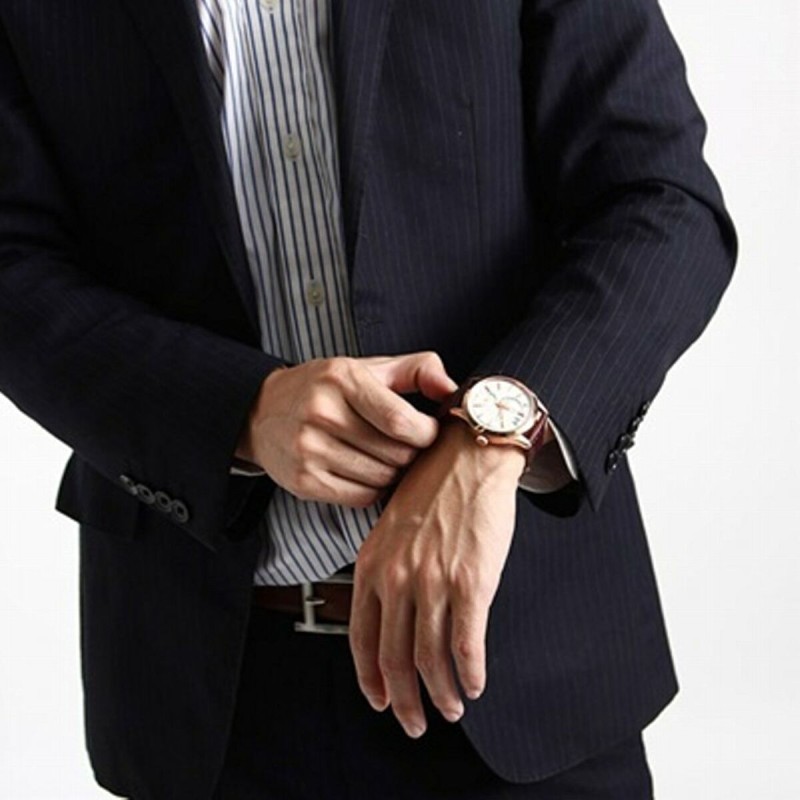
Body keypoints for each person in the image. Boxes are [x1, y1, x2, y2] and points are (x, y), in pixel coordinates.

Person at [0, 0, 736, 798]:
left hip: (525, 654)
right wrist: (240, 411)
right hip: (206, 689)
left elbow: (660, 197)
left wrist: (493, 435)